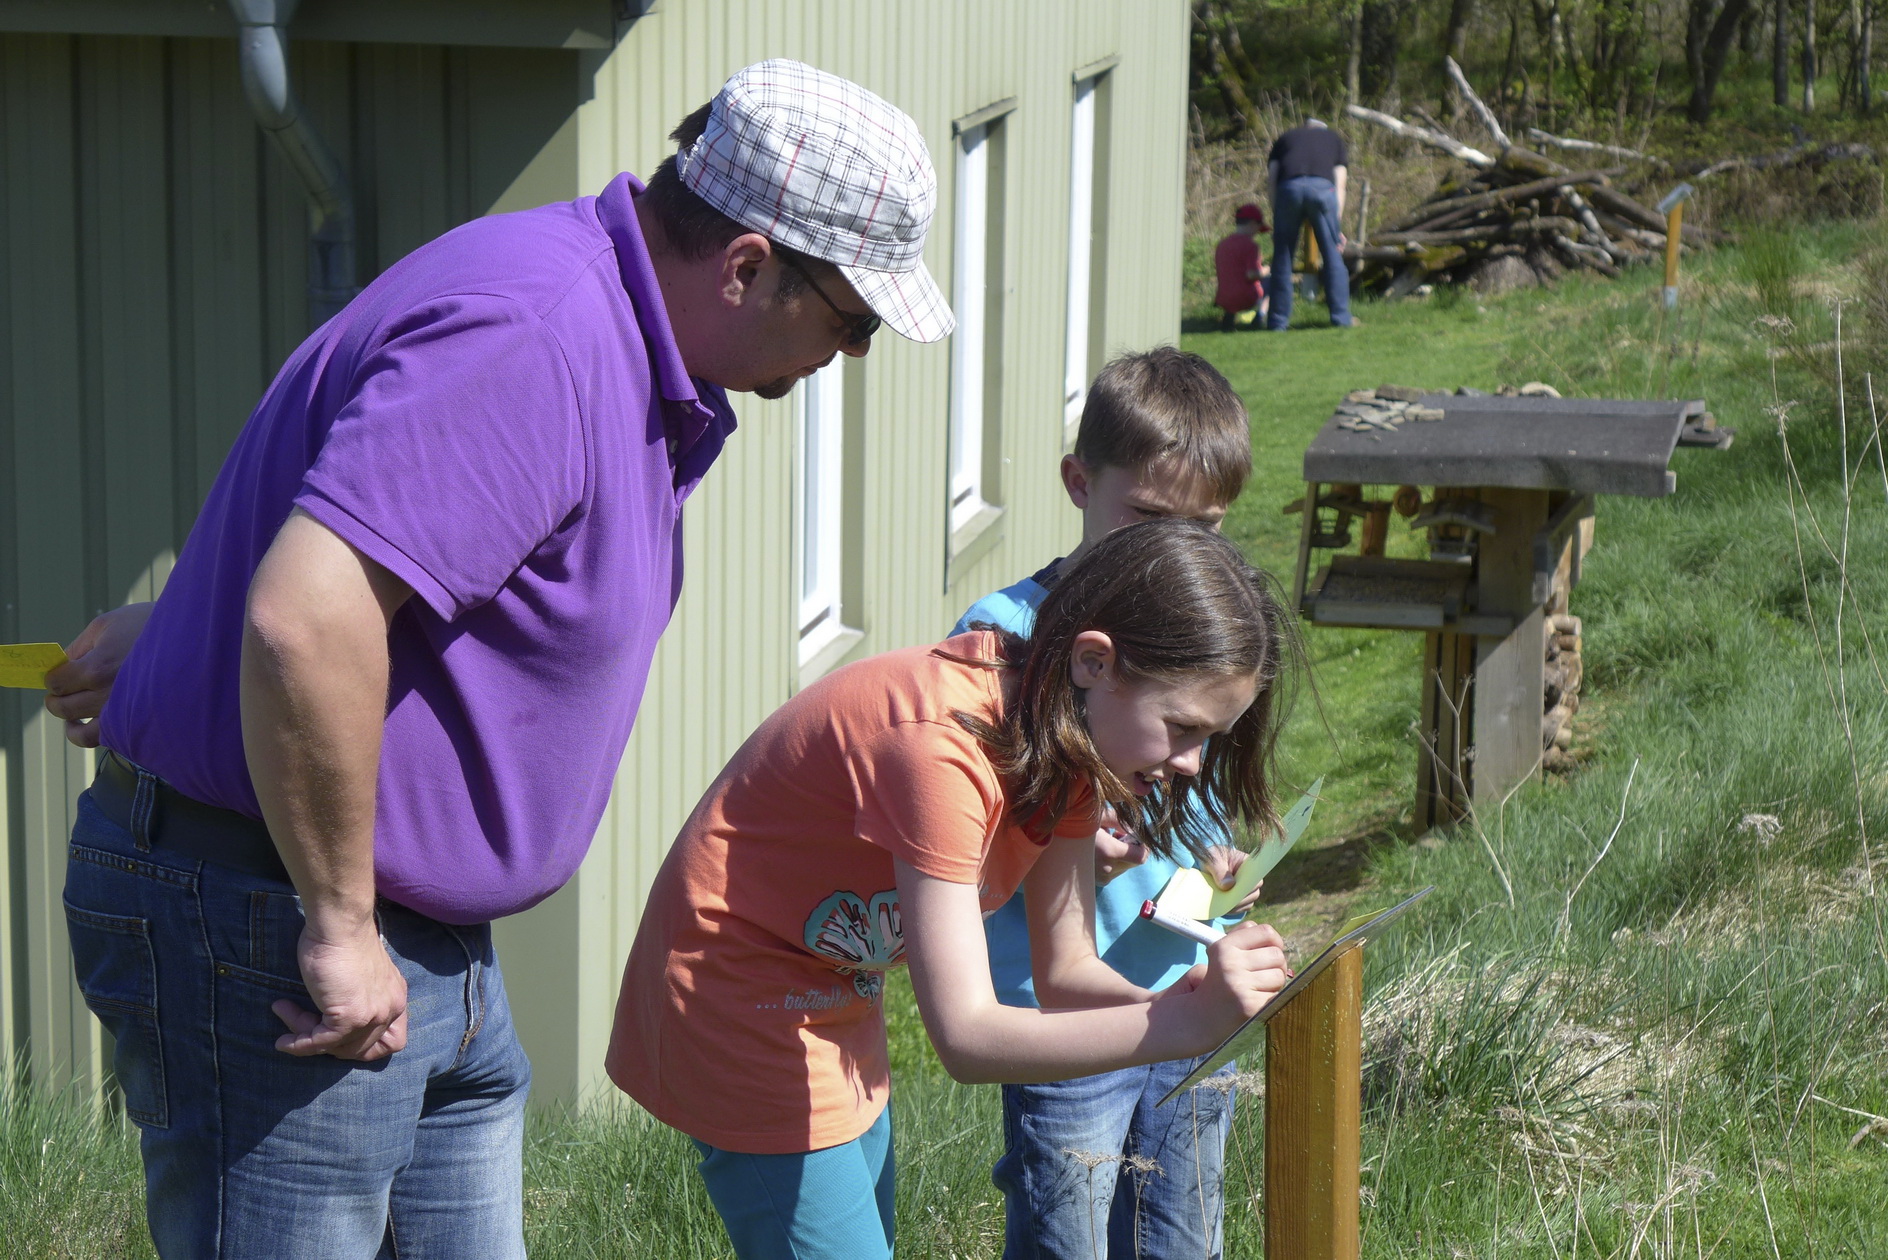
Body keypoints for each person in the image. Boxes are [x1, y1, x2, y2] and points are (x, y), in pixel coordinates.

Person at [46, 60, 951, 1259]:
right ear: (745, 265)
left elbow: (393, 562)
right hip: (277, 922)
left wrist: (184, 637)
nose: (856, 351)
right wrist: (338, 926)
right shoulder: (537, 336)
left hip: (419, 940)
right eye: (852, 319)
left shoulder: (607, 331)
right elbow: (307, 618)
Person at [607, 519, 1299, 1260]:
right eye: (1183, 726)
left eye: (1210, 737)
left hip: (837, 987)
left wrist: (1182, 1005)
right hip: (735, 992)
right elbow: (967, 1038)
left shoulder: (1067, 744)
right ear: (1095, 662)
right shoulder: (942, 749)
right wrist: (1181, 1025)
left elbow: (1066, 973)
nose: (1193, 763)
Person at [953, 347, 1264, 1259]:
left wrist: (1212, 852)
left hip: (1186, 982)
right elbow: (961, 827)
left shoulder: (1199, 626)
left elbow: (1187, 763)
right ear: (1079, 482)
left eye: (1208, 528)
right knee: (1071, 1237)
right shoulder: (1007, 636)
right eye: (1152, 518)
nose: (1179, 550)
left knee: (1183, 1237)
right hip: (1064, 1017)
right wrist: (1075, 843)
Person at [1265, 118, 1355, 330]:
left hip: (1289, 189)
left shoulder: (1285, 138)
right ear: (1322, 129)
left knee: (1282, 257)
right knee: (1332, 255)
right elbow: (1340, 183)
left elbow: (1272, 179)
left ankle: (1278, 322)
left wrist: (1277, 214)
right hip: (1322, 190)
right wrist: (1336, 225)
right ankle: (1341, 318)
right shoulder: (1333, 138)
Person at [1213, 203, 1270, 330]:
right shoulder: (1251, 245)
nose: (1257, 233)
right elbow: (1251, 274)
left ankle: (1229, 318)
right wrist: (1268, 270)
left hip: (1223, 298)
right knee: (1273, 282)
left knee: (1233, 283)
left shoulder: (1222, 244)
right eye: (1258, 228)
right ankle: (1260, 317)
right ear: (1252, 224)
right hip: (1245, 298)